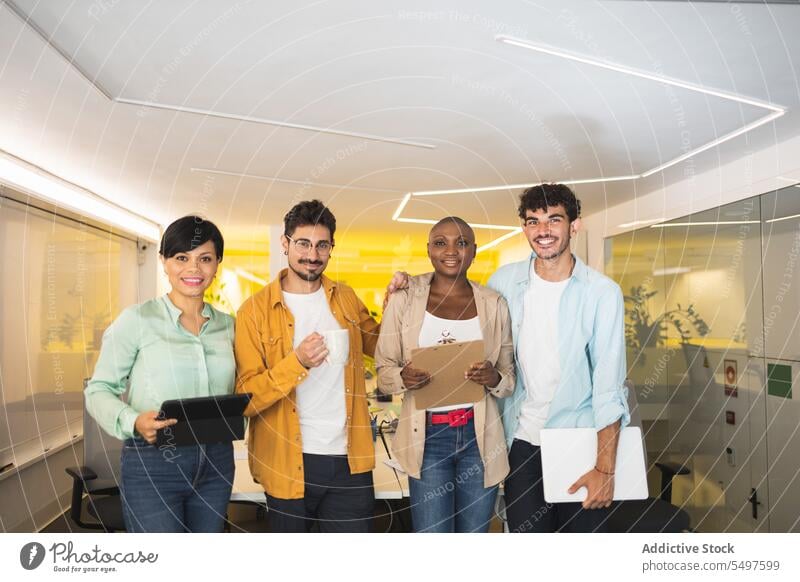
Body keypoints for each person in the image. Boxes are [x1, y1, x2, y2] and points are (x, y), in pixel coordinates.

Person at [386, 184, 629, 533]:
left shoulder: (602, 294)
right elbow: (460, 301)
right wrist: (407, 286)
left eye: (554, 220)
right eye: (533, 222)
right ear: (525, 228)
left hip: (579, 443)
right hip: (519, 443)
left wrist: (605, 468)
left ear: (574, 225)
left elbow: (609, 387)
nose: (543, 231)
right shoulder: (505, 281)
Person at [234, 199, 380, 532]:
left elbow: (381, 345)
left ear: (331, 248)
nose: (312, 254)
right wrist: (297, 362)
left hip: (350, 460)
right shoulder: (253, 311)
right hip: (287, 462)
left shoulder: (345, 297)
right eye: (303, 243)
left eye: (321, 245)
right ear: (285, 243)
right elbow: (246, 398)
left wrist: (399, 302)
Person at [85, 216, 236, 533]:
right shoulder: (137, 320)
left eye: (204, 259)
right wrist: (134, 421)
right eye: (182, 258)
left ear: (217, 263)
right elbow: (98, 390)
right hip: (154, 461)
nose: (193, 270)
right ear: (164, 262)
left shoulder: (229, 326)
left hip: (217, 459)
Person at [375, 217, 514, 532]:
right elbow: (383, 371)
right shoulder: (404, 299)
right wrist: (402, 378)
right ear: (428, 250)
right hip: (428, 439)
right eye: (441, 242)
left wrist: (493, 378)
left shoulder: (494, 305)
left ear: (474, 251)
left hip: (479, 439)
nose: (451, 250)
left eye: (462, 242)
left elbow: (509, 380)